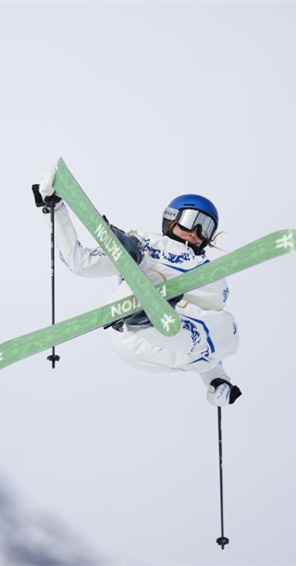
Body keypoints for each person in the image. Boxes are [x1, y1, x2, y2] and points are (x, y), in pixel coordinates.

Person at [33, 168, 241, 406]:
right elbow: (81, 263)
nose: (195, 232)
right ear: (171, 218)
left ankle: (152, 314)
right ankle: (140, 307)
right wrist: (56, 209)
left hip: (172, 350)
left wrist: (218, 381)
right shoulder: (150, 242)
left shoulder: (207, 271)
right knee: (148, 277)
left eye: (205, 227)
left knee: (225, 325)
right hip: (132, 334)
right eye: (190, 221)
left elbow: (207, 331)